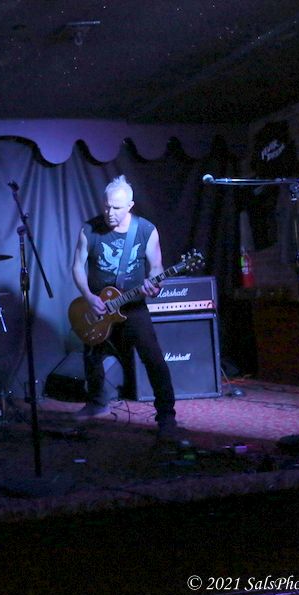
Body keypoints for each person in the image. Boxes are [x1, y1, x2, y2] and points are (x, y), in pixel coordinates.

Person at [71, 175, 178, 442]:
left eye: (116, 208)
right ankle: (97, 403)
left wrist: (154, 285)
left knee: (154, 359)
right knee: (92, 355)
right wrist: (89, 297)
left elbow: (156, 268)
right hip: (99, 306)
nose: (109, 212)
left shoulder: (146, 230)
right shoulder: (89, 229)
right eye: (106, 206)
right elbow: (77, 267)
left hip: (133, 307)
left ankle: (166, 416)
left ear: (130, 205)